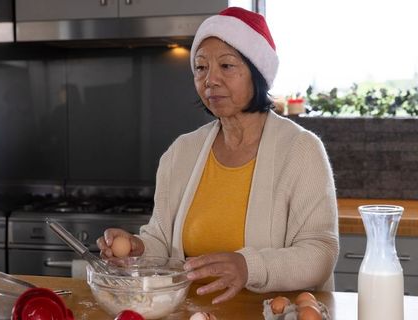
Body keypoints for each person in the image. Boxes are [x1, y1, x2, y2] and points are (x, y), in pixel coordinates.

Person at [97, 7, 339, 304]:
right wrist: (138, 248)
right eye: (201, 68)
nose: (210, 80)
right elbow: (161, 240)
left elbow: (320, 253)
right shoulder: (181, 152)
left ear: (258, 72)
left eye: (226, 66)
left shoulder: (301, 150)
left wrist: (248, 267)